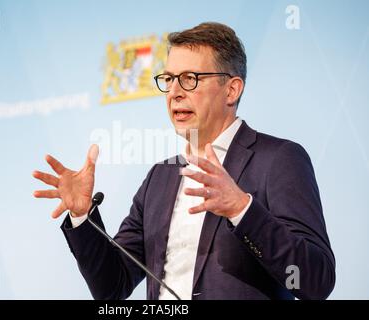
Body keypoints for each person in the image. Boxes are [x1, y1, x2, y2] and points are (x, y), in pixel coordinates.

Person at [32, 22, 335, 300]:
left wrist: (241, 209)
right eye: (169, 79)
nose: (174, 92)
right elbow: (113, 286)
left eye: (190, 79)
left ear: (231, 89)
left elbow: (316, 281)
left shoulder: (279, 159)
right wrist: (83, 217)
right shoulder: (159, 178)